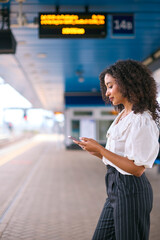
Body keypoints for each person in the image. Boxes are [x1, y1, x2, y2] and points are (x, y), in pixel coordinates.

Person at [73, 59, 160, 240]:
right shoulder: (123, 115)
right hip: (115, 186)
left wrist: (101, 149)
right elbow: (119, 158)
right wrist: (96, 151)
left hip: (131, 190)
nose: (107, 93)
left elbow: (136, 168)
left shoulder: (141, 119)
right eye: (106, 87)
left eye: (110, 86)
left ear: (127, 83)